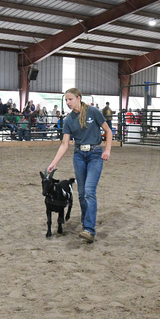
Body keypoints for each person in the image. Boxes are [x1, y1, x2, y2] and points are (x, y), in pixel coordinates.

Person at [46, 88, 112, 243]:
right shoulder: (68, 120)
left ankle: (89, 229)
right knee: (81, 194)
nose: (68, 103)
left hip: (95, 154)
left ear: (78, 98)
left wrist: (107, 149)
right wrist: (53, 163)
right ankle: (86, 223)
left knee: (89, 191)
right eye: (66, 100)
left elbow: (108, 131)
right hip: (79, 156)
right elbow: (64, 144)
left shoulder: (93, 112)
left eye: (70, 99)